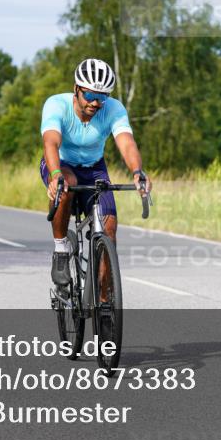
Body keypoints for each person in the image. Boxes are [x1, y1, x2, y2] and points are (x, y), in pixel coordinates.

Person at [40, 58, 152, 297]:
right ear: (76, 89)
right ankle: (61, 250)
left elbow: (126, 143)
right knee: (67, 184)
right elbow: (51, 142)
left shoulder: (113, 109)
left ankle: (104, 300)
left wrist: (137, 171)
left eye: (102, 97)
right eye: (90, 95)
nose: (95, 103)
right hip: (61, 164)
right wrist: (56, 175)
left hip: (94, 168)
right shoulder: (56, 105)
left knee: (109, 227)